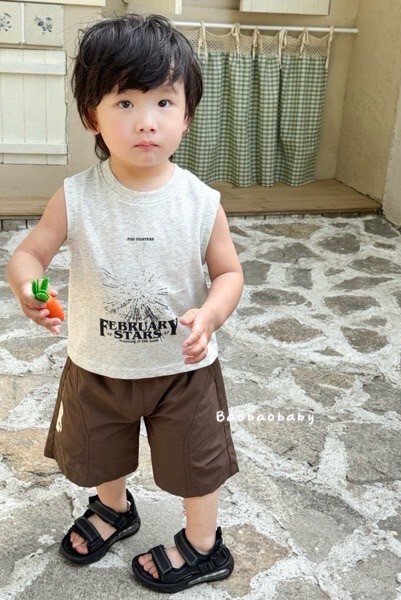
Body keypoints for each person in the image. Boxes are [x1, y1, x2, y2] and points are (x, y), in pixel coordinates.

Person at [7, 13, 243, 594]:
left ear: (186, 115)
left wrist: (211, 314)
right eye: (125, 102)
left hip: (183, 370)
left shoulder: (200, 202)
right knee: (100, 452)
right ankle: (114, 509)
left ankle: (203, 546)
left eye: (164, 102)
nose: (146, 121)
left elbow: (229, 273)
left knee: (196, 462)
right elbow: (29, 254)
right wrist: (33, 290)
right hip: (98, 364)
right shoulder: (76, 196)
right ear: (93, 115)